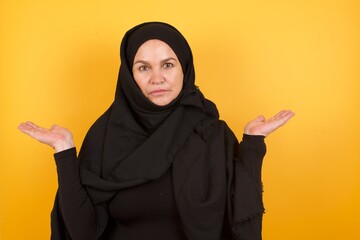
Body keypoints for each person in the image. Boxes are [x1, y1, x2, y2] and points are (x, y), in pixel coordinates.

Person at [18, 22, 294, 240]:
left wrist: (253, 145)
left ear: (184, 68)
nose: (157, 78)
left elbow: (243, 226)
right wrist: (64, 152)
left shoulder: (212, 134)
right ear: (129, 76)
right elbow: (84, 233)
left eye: (167, 64)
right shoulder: (105, 137)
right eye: (143, 68)